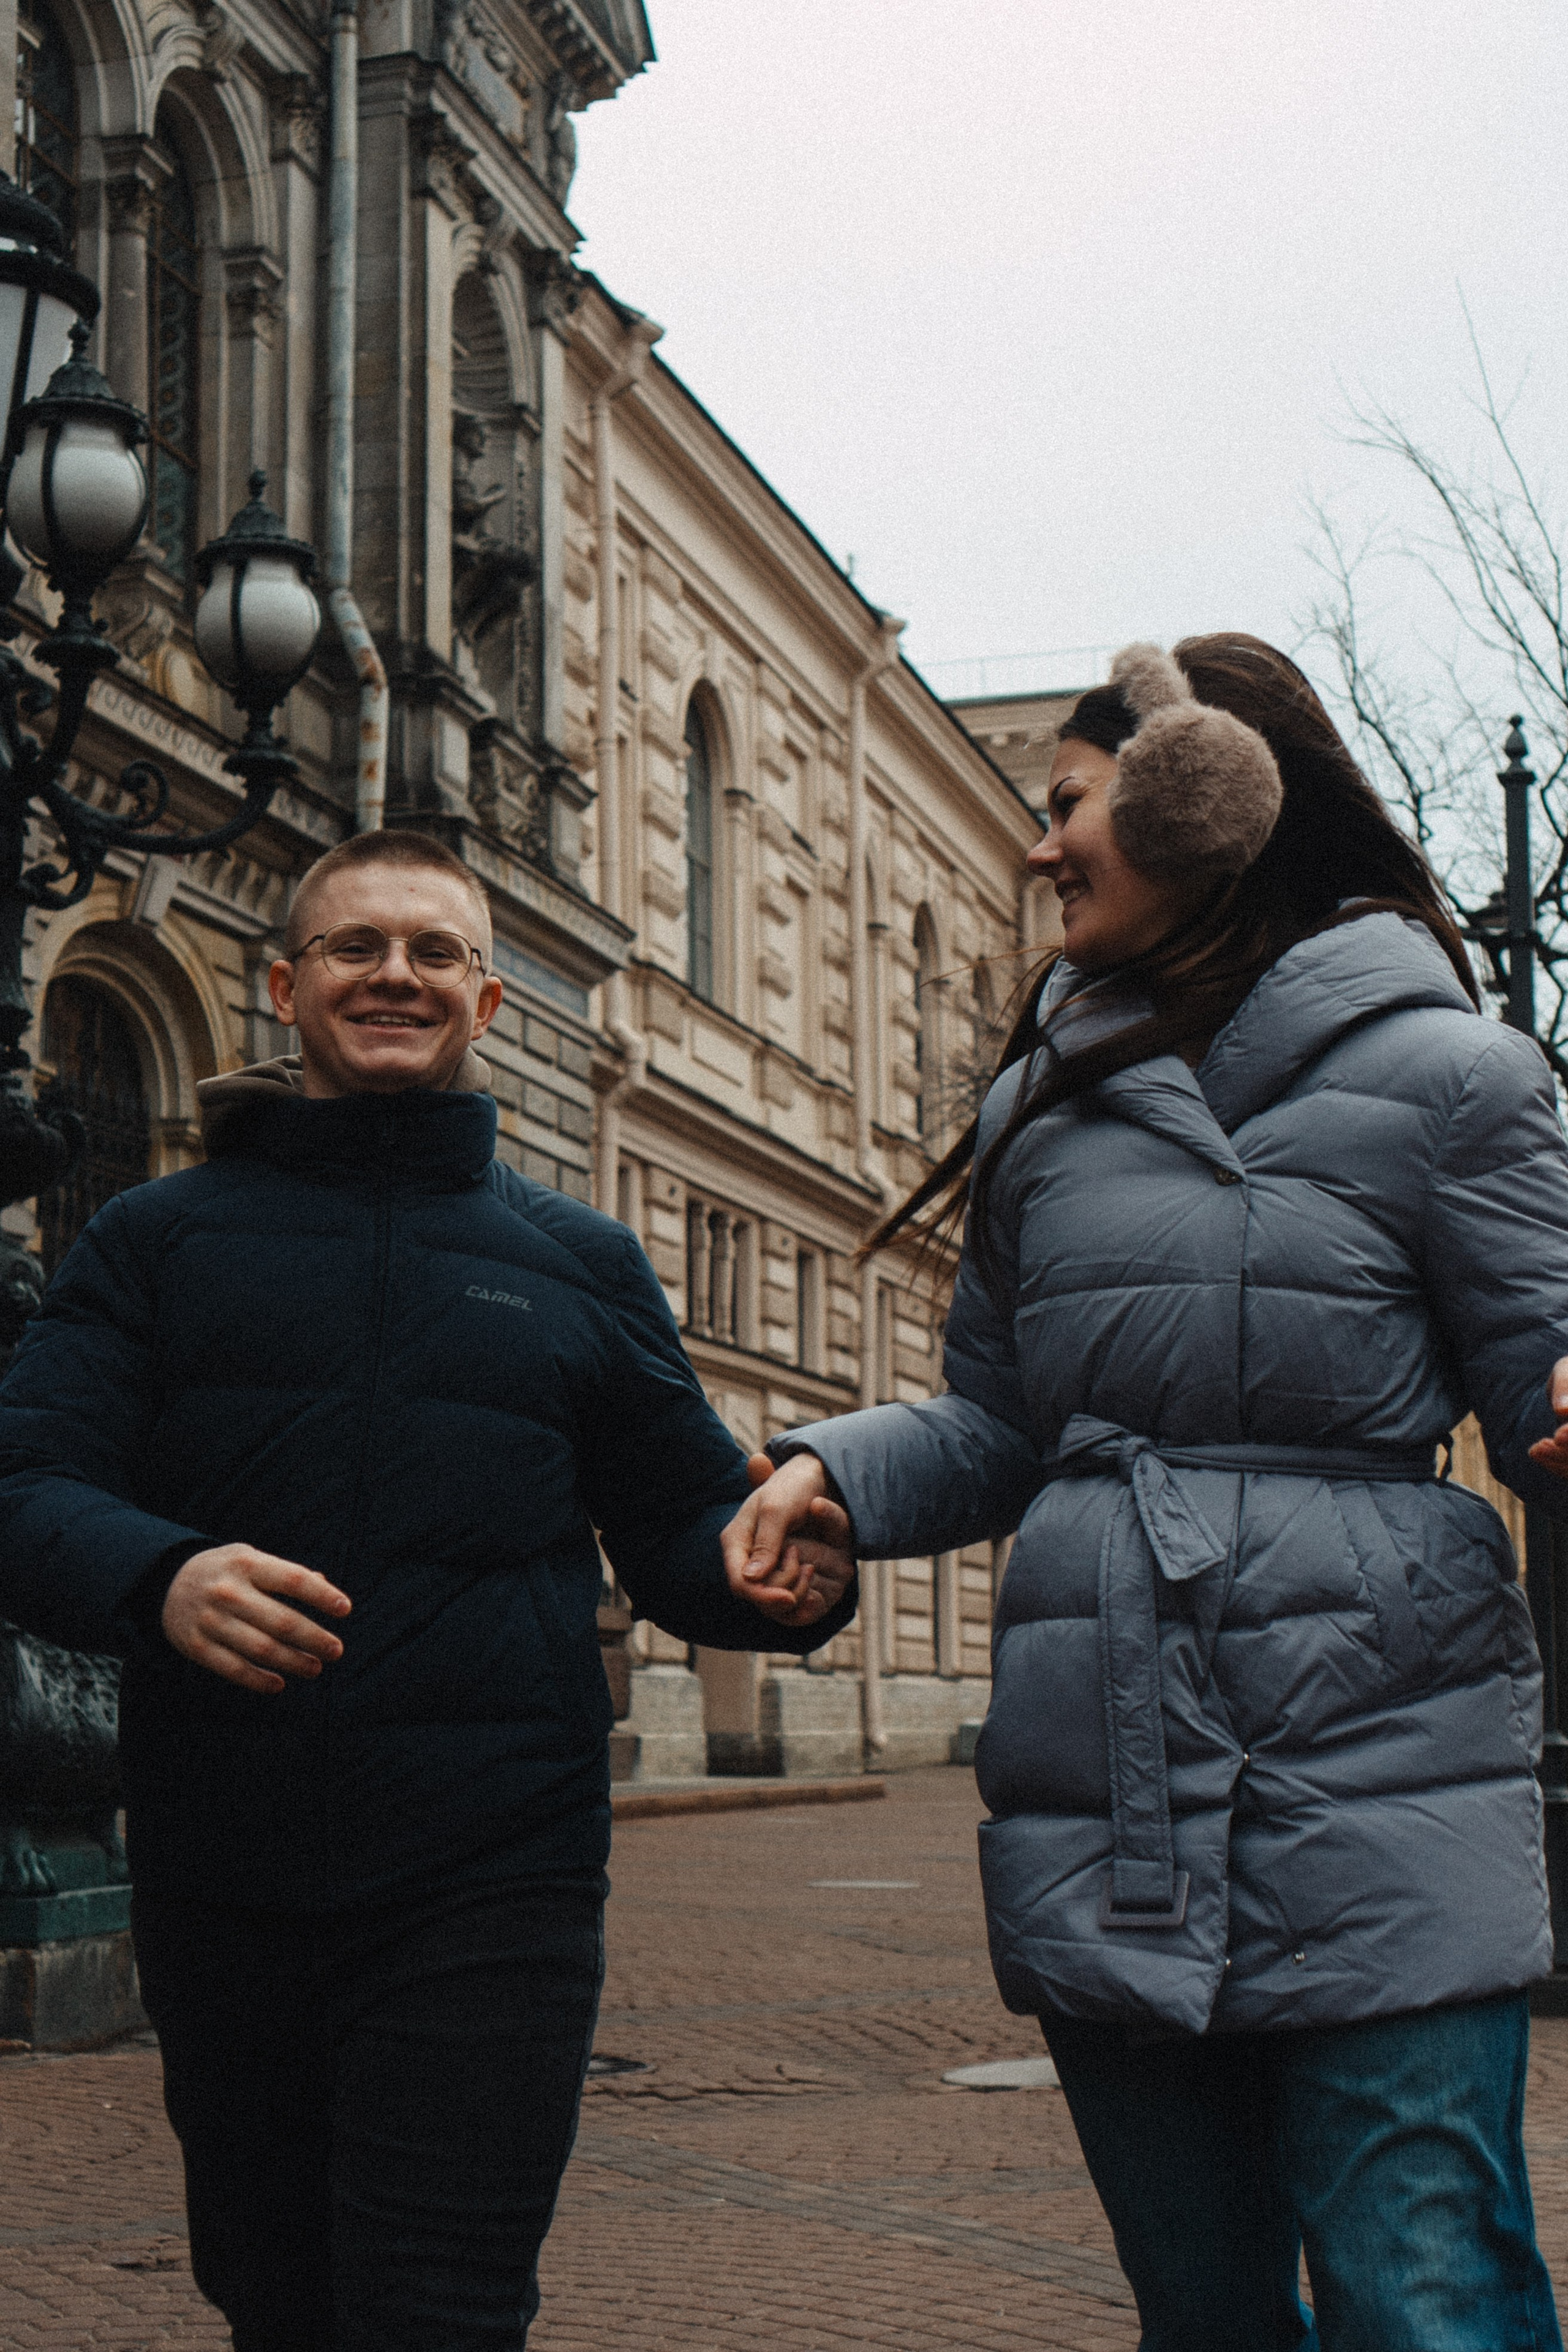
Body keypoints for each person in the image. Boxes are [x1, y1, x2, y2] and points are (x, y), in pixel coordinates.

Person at [726, 634, 1568, 2352]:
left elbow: (1544, 1393)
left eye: (1068, 803)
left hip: (1387, 1787)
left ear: (1210, 804)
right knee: (1201, 2315)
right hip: (1111, 1798)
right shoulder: (1041, 1108)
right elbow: (1001, 1426)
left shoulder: (1458, 1077)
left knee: (1424, 2304)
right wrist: (834, 1472)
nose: (1038, 847)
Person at [0, 827, 855, 2352]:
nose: (395, 974)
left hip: (495, 1873)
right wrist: (162, 1571)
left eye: (435, 951)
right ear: (284, 988)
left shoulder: (580, 1261)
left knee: (440, 2307)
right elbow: (25, 1485)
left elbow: (681, 1526)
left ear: (486, 1002)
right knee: (275, 2295)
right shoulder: (154, 1239)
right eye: (355, 946)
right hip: (225, 1861)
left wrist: (781, 1582)